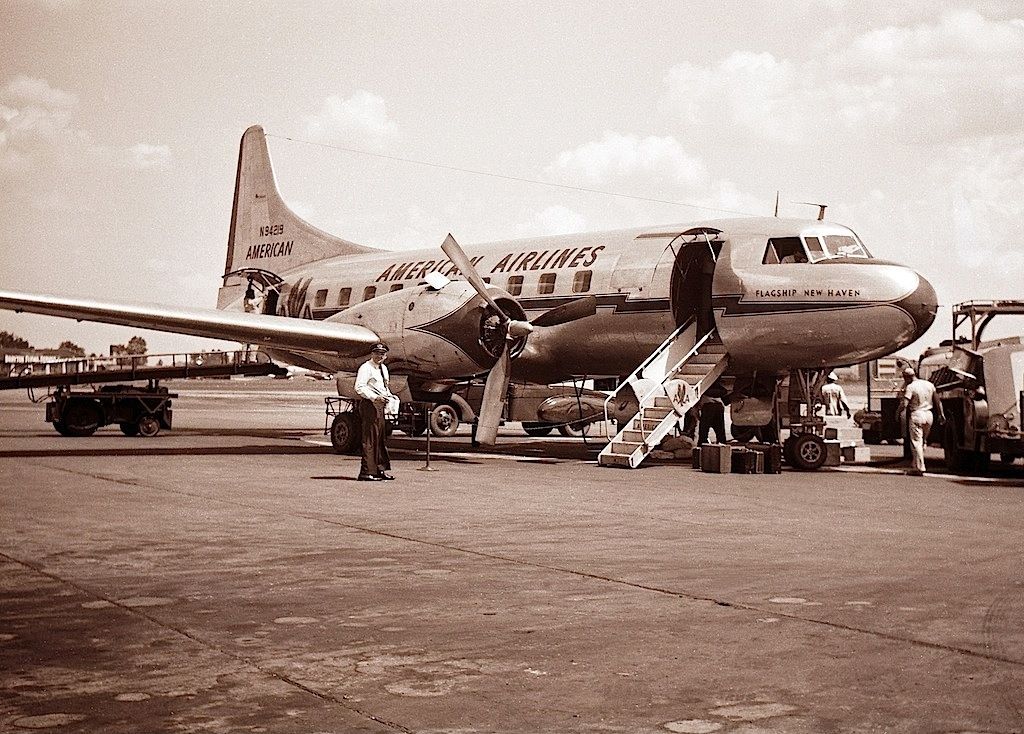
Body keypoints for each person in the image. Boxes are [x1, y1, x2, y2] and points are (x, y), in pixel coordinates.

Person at [354, 342, 398, 481]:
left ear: (385, 356)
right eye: (377, 353)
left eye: (382, 354)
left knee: (380, 438)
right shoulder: (366, 368)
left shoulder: (383, 368)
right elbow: (359, 387)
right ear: (372, 354)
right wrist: (374, 397)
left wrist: (389, 397)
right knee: (370, 439)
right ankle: (366, 472)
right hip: (370, 404)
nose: (379, 356)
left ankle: (380, 469)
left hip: (380, 405)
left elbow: (385, 387)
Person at [897, 366, 945, 476]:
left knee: (916, 442)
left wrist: (898, 412)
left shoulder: (911, 387)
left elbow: (904, 404)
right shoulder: (929, 384)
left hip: (917, 414)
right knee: (923, 441)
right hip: (929, 415)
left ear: (906, 377)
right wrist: (941, 414)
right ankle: (915, 464)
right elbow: (938, 401)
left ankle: (920, 467)